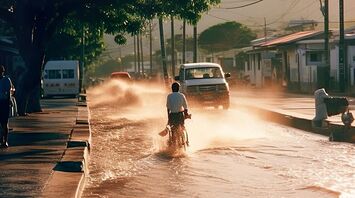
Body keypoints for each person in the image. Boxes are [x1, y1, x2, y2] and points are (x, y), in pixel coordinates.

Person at [0, 65, 12, 148]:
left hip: (4, 102)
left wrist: (9, 101)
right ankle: (1, 140)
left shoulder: (6, 80)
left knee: (4, 123)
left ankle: (5, 141)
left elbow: (8, 92)